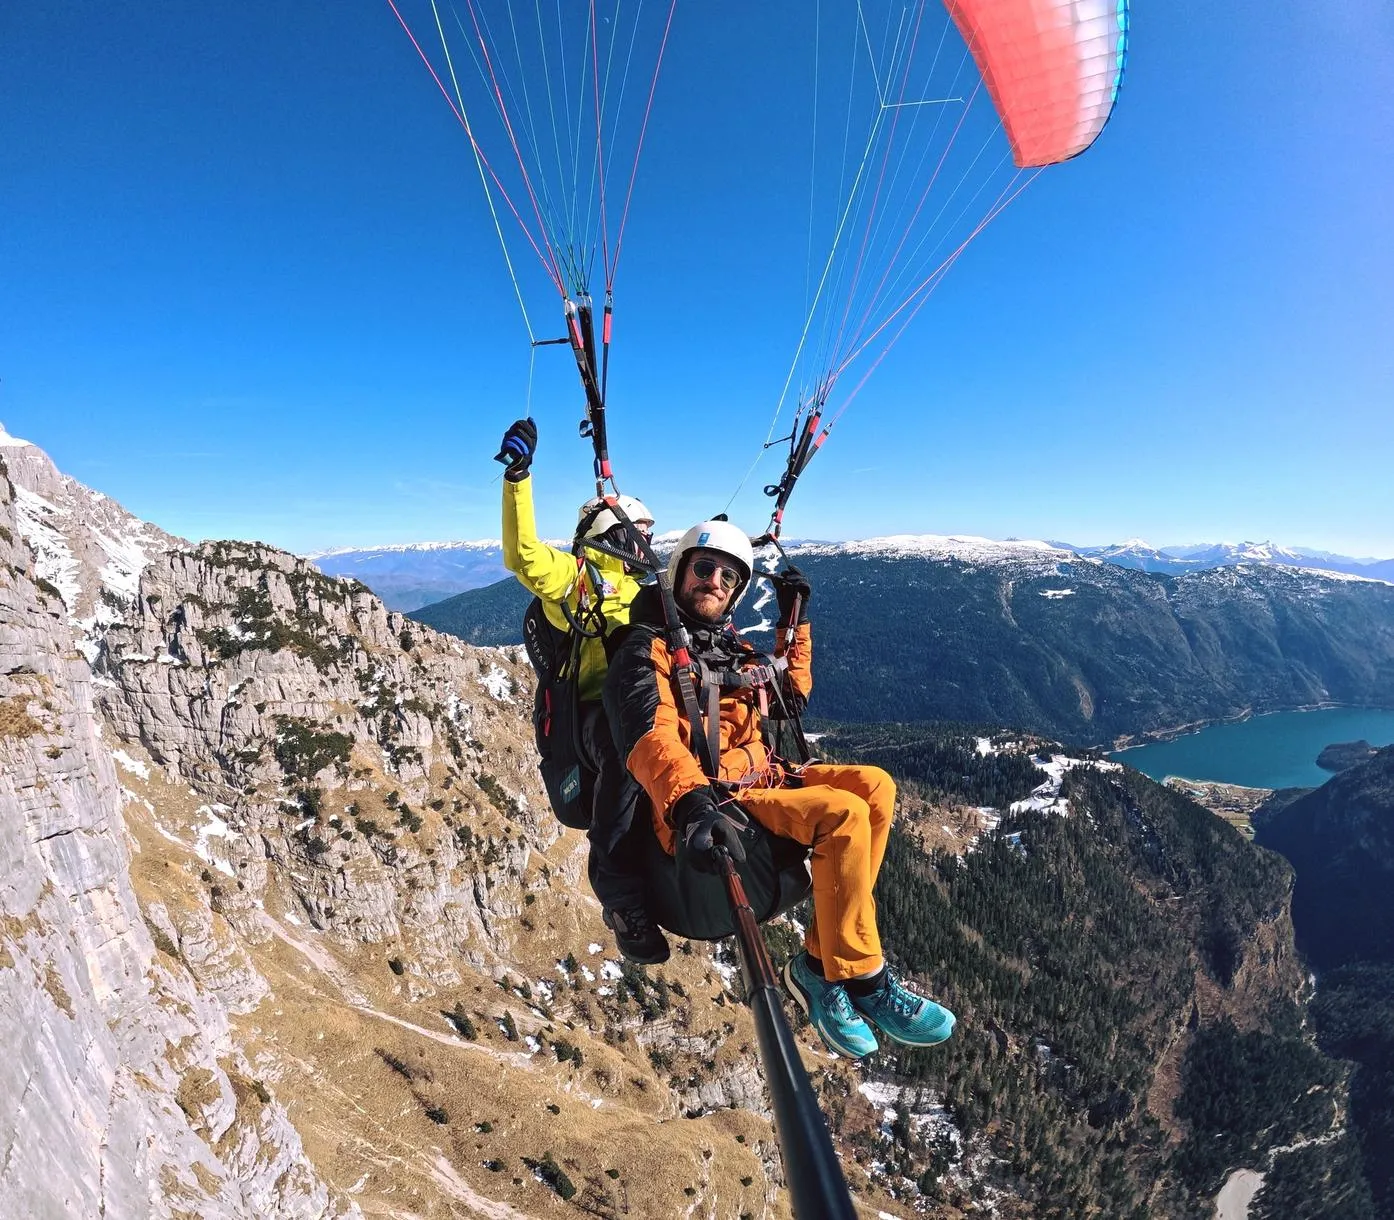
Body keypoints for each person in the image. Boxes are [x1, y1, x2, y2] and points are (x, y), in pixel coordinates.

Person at [603, 519, 956, 1058]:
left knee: (875, 787)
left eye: (729, 577)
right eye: (703, 569)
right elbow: (648, 735)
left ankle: (818, 964)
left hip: (763, 774)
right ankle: (864, 978)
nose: (715, 582)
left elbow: (789, 694)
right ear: (678, 574)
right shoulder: (643, 648)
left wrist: (795, 624)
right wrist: (690, 800)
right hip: (711, 796)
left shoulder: (726, 645)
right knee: (841, 815)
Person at [496, 417, 670, 964]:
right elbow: (523, 556)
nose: (650, 540)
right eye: (644, 530)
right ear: (617, 531)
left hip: (640, 700)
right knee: (628, 759)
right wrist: (519, 478)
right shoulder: (577, 577)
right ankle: (620, 896)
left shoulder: (646, 588)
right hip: (594, 712)